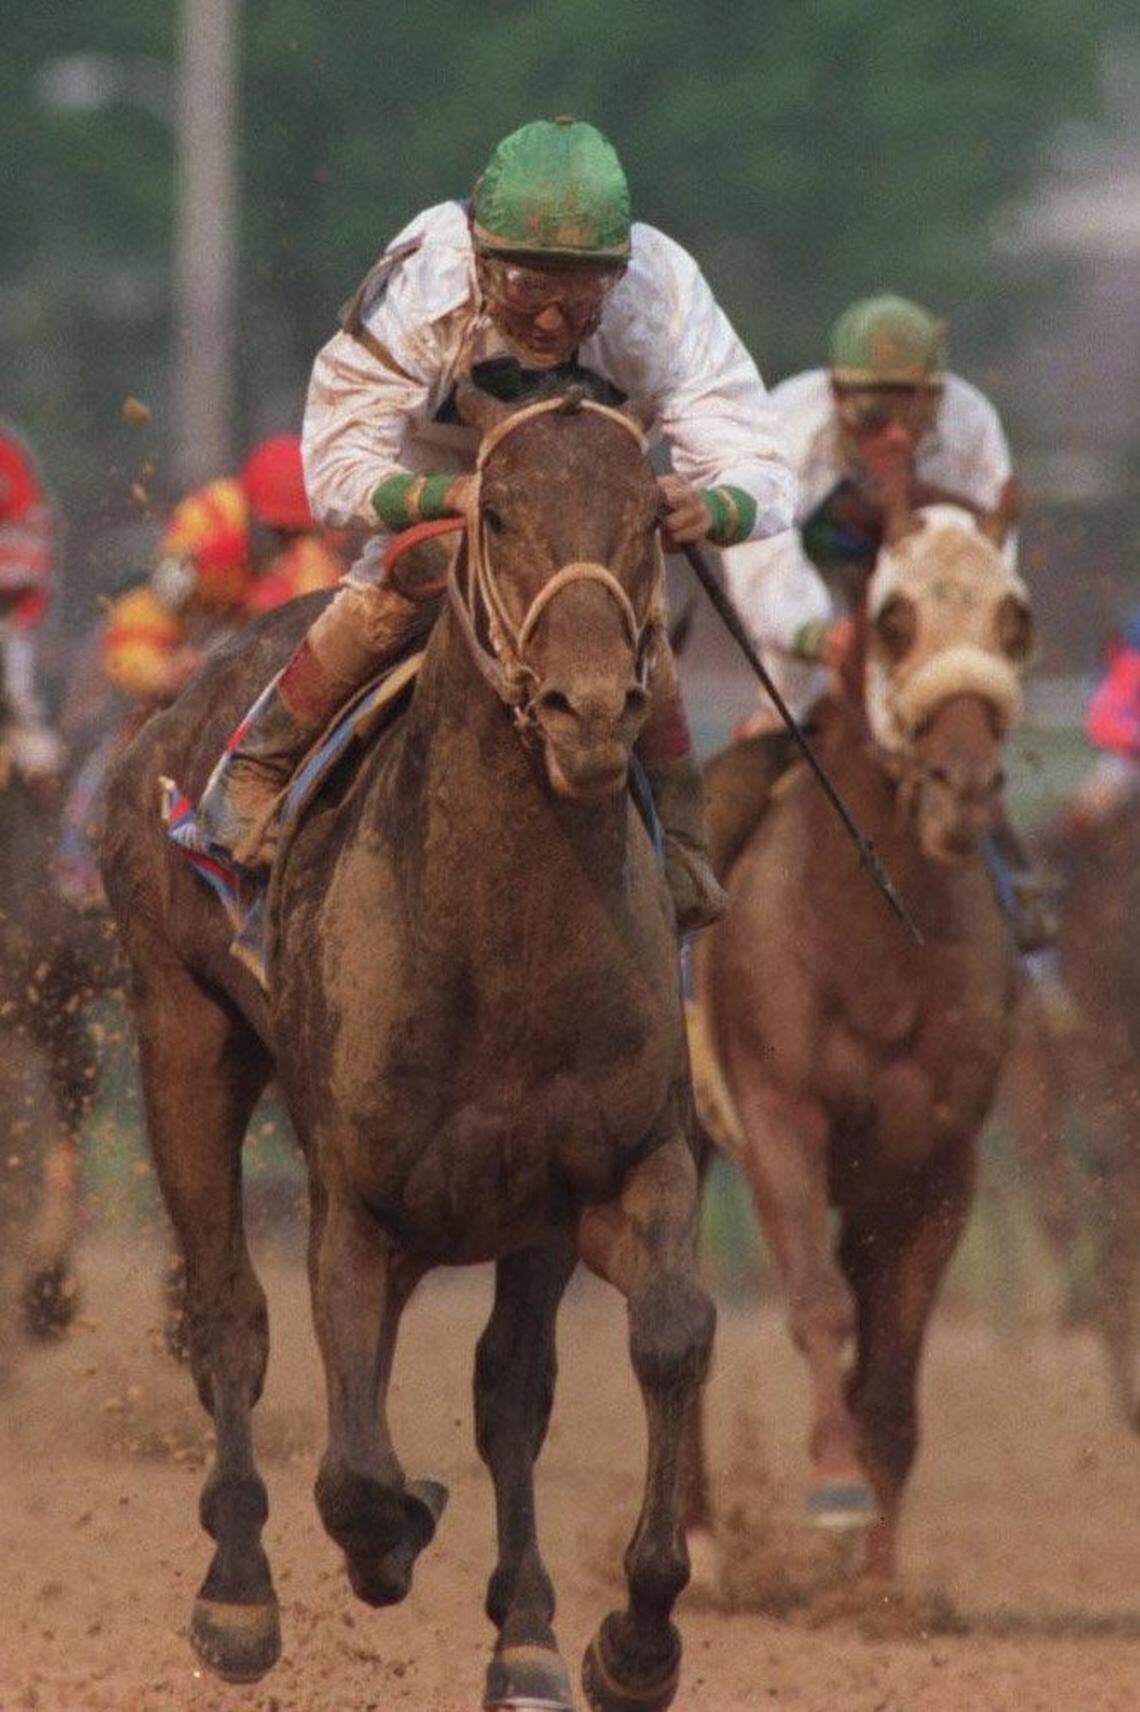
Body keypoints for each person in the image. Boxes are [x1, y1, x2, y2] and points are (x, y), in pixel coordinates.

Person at [197, 117, 796, 934]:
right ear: (479, 260)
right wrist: (447, 497)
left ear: (619, 275)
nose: (549, 322)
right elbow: (333, 470)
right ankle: (257, 766)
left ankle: (683, 837)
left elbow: (757, 457)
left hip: (590, 493)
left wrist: (713, 506)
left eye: (580, 298)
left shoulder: (662, 293)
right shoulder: (423, 282)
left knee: (628, 601)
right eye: (523, 289)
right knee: (405, 577)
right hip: (448, 470)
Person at [707, 293, 1051, 950]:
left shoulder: (972, 425)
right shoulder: (785, 427)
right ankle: (691, 920)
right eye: (874, 416)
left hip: (926, 632)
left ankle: (1025, 910)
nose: (897, 435)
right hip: (813, 625)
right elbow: (759, 554)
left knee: (969, 764)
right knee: (744, 775)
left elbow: (986, 569)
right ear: (837, 398)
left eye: (915, 413)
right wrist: (816, 635)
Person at [102, 434, 344, 702]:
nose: (286, 546)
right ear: (250, 511)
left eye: (296, 533)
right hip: (184, 641)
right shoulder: (210, 517)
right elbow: (160, 596)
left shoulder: (315, 556)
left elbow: (318, 628)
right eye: (277, 531)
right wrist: (164, 673)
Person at [0, 422, 62, 787]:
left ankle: (38, 763)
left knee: (20, 697)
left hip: (11, 609)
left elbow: (30, 546)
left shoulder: (6, 460)